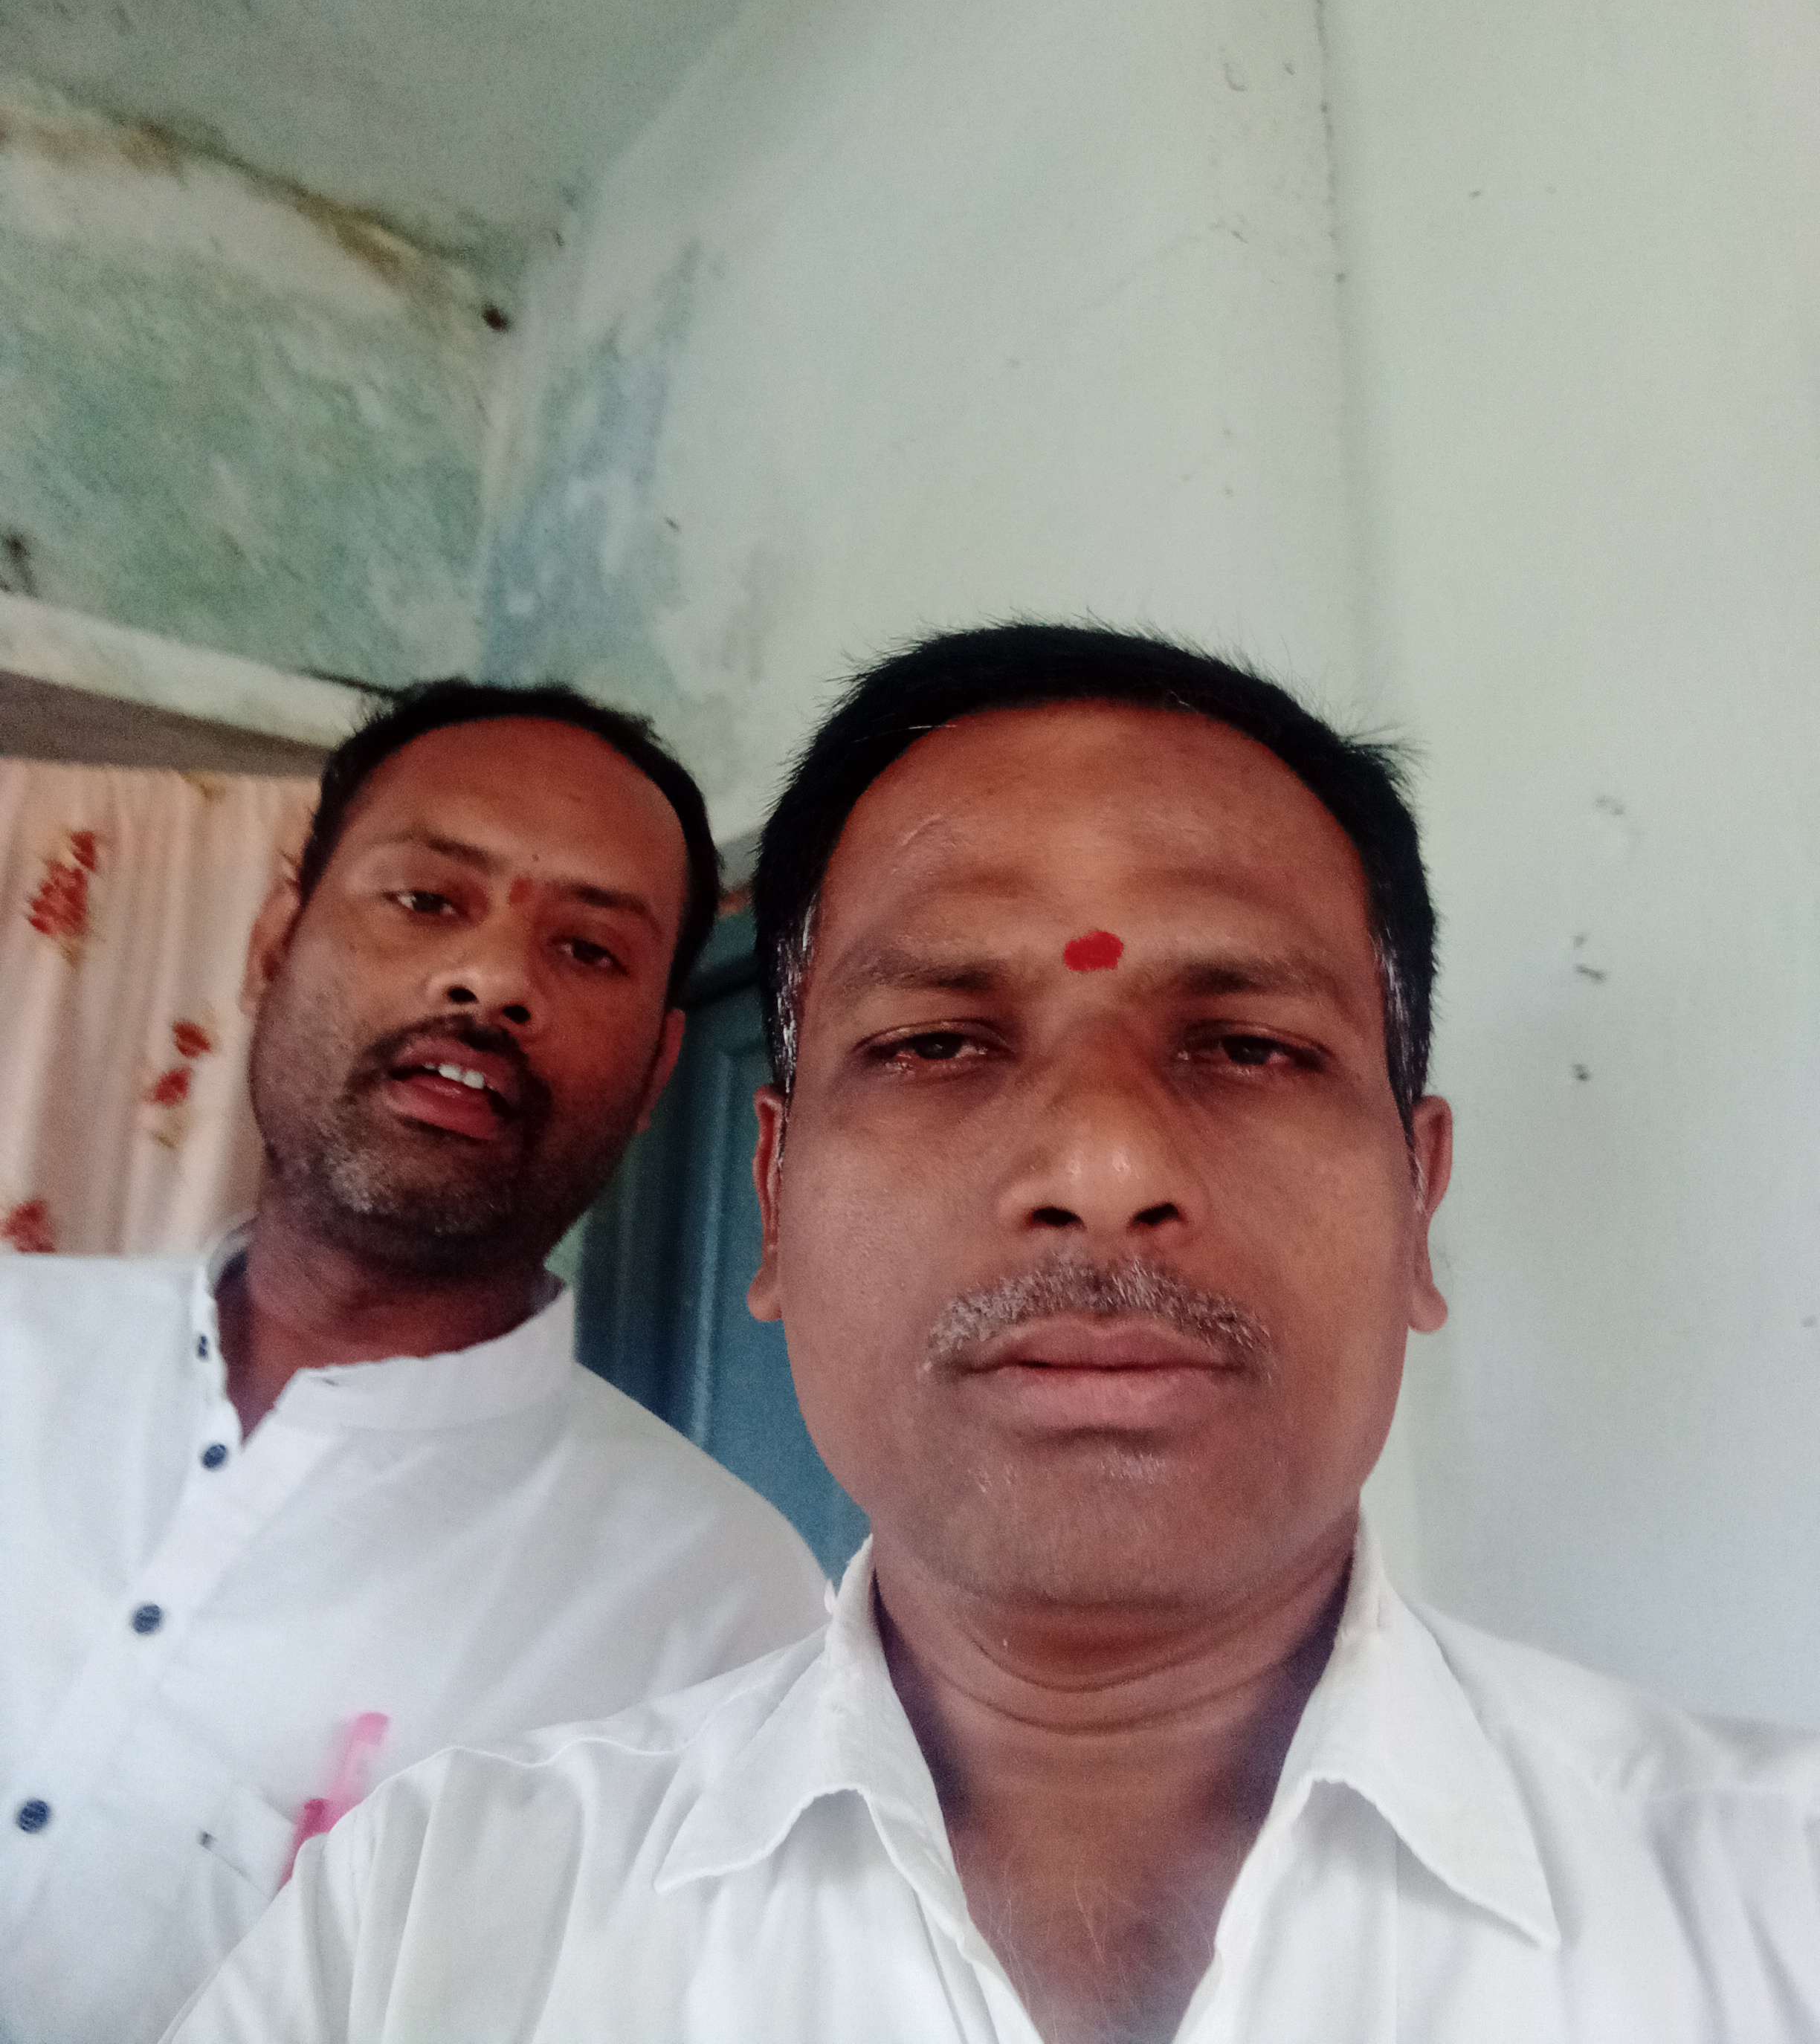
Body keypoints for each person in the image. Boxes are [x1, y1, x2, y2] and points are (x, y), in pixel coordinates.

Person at [166, 627, 1820, 2044]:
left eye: (1246, 1047)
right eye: (941, 1043)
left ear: (1418, 1202)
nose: (1100, 1169)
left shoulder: (1769, 1903)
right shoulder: (426, 1929)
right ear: (774, 1201)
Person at [0, 679, 825, 2044]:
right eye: (428, 900)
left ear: (658, 1068)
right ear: (276, 942)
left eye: (589, 949)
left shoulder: (724, 1618)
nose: (492, 980)